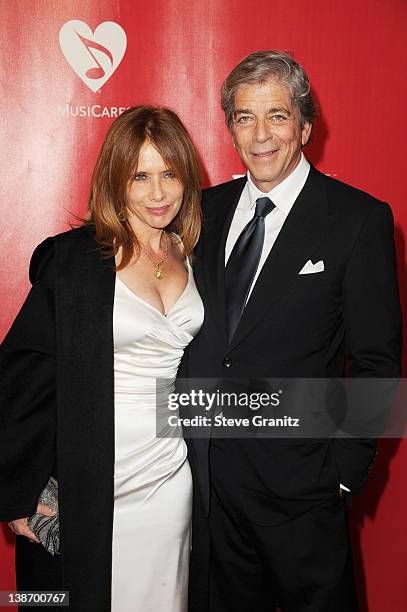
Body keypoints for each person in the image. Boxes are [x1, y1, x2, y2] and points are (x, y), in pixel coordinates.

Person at [181, 50, 402, 611]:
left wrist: (343, 477)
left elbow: (377, 361)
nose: (260, 135)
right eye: (244, 117)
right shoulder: (201, 210)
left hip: (304, 495)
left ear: (305, 125)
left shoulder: (357, 219)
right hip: (207, 490)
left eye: (277, 116)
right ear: (230, 126)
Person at [0, 105, 204, 611]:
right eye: (140, 176)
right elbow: (23, 376)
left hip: (169, 473)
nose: (158, 194)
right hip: (88, 472)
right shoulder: (73, 261)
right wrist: (20, 490)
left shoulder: (194, 250)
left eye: (169, 174)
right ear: (116, 179)